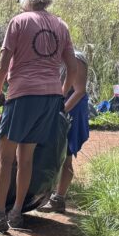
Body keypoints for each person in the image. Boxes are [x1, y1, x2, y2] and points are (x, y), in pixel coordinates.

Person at [0, 0, 75, 233]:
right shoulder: (61, 25)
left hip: (22, 94)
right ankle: (17, 213)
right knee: (27, 157)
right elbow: (73, 68)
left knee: (4, 156)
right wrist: (59, 91)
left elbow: (3, 62)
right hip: (49, 97)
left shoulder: (19, 22)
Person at [40, 50, 89, 213]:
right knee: (52, 153)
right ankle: (46, 193)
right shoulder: (53, 56)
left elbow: (79, 91)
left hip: (72, 110)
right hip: (58, 107)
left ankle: (59, 199)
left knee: (66, 154)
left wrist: (61, 113)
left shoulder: (75, 57)